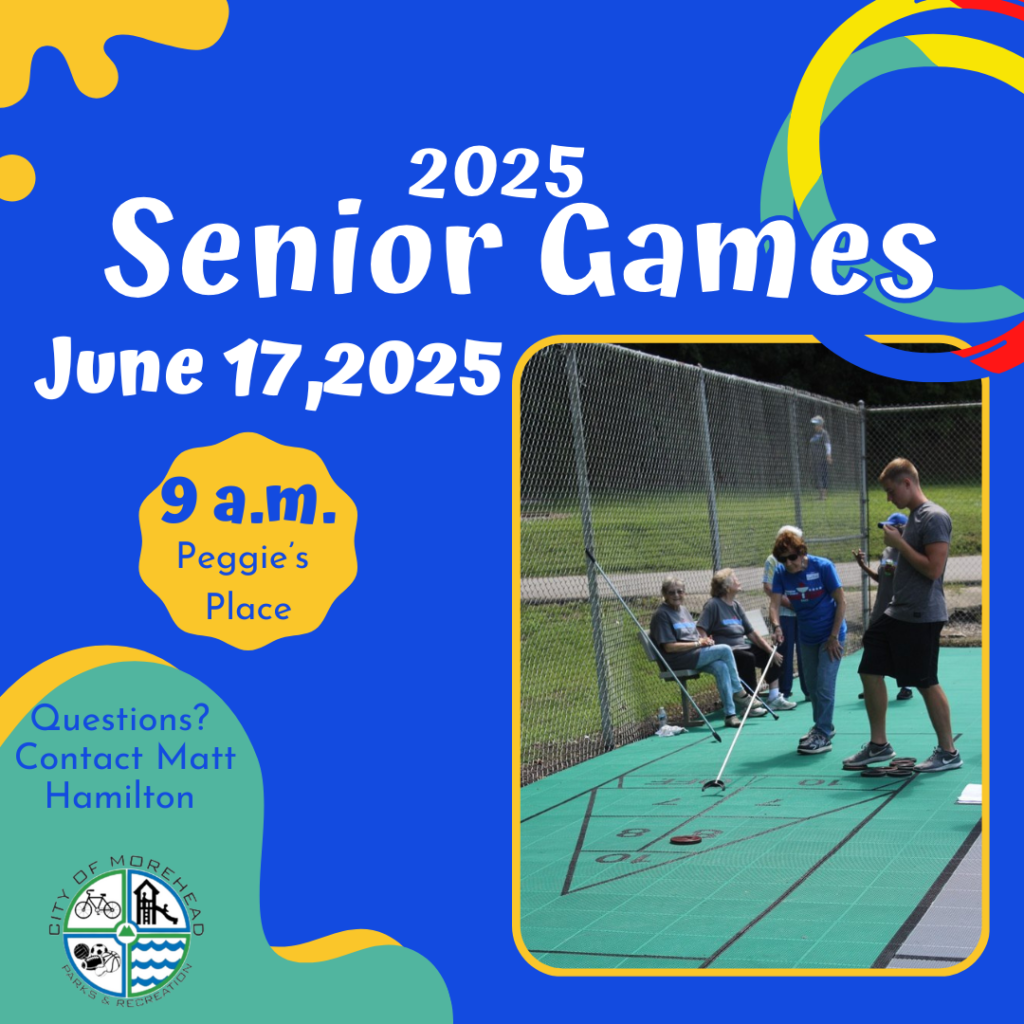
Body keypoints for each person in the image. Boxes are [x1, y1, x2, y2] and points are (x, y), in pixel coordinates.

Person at [843, 459, 960, 774]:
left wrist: (899, 544)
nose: (888, 498)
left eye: (890, 490)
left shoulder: (934, 517)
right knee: (869, 668)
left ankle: (948, 751)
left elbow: (933, 570)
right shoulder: (913, 518)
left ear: (907, 483)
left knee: (925, 681)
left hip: (922, 614)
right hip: (898, 611)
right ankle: (879, 744)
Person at [649, 577, 766, 728]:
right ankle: (740, 693)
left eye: (680, 591)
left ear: (685, 593)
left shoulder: (684, 610)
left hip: (694, 654)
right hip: (677, 659)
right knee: (724, 649)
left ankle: (730, 715)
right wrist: (698, 643)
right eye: (672, 592)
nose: (676, 595)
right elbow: (669, 647)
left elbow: (693, 635)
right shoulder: (662, 615)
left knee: (721, 666)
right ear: (664, 594)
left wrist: (705, 641)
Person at [769, 532, 847, 754]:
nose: (788, 563)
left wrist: (833, 637)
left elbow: (841, 601)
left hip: (831, 635)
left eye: (792, 557)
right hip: (807, 635)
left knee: (824, 684)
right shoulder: (782, 573)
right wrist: (776, 626)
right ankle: (823, 727)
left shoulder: (823, 567)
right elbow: (774, 605)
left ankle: (822, 734)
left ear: (802, 552)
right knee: (812, 687)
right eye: (783, 559)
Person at [698, 569, 792, 711]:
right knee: (747, 658)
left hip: (742, 646)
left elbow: (751, 633)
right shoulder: (713, 605)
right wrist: (706, 643)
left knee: (771, 654)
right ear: (726, 586)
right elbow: (701, 628)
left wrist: (770, 651)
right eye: (735, 579)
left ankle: (774, 697)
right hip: (727, 651)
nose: (738, 581)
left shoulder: (736, 605)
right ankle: (749, 703)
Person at [852, 512, 913, 701]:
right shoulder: (887, 552)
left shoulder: (909, 552)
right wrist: (862, 565)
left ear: (903, 530)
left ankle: (906, 686)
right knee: (872, 643)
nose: (885, 531)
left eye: (890, 527)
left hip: (899, 609)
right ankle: (874, 685)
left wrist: (897, 572)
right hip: (881, 607)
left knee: (899, 646)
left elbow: (914, 581)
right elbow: (881, 579)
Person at [763, 525, 804, 701]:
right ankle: (784, 691)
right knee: (785, 652)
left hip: (802, 614)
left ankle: (809, 689)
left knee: (805, 650)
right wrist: (792, 604)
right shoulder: (773, 561)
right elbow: (768, 587)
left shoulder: (801, 558)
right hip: (784, 613)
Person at [809, 415, 832, 500]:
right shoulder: (814, 435)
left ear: (820, 425)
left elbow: (828, 445)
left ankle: (823, 496)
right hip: (816, 460)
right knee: (817, 476)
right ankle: (820, 495)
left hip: (822, 459)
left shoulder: (824, 433)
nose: (815, 426)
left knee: (823, 476)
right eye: (814, 425)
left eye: (816, 424)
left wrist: (828, 456)